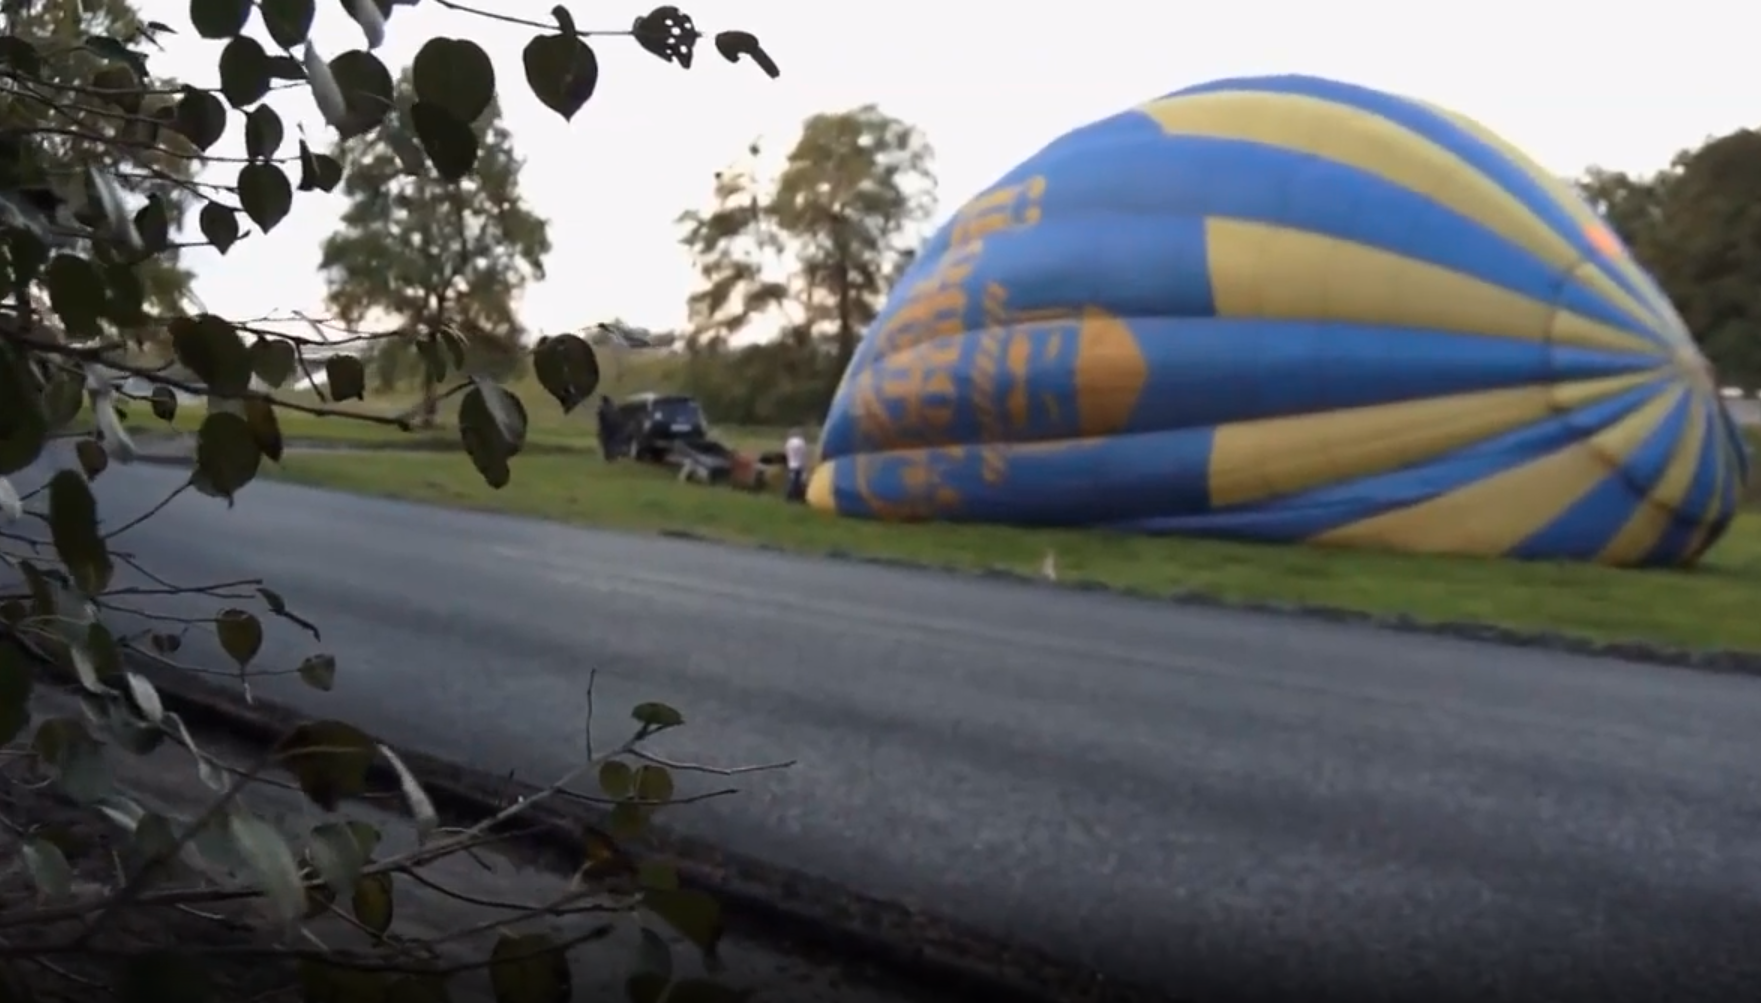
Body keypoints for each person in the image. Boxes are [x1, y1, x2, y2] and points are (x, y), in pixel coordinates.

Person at [783, 428, 809, 502]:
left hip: (791, 463)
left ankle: (791, 495)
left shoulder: (789, 442)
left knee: (792, 480)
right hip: (798, 464)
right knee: (796, 481)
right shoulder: (801, 442)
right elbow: (804, 453)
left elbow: (786, 451)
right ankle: (793, 496)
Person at [595, 394, 619, 461]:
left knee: (606, 443)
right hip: (614, 428)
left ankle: (608, 456)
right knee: (613, 442)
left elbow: (599, 417)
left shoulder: (602, 408)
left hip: (605, 428)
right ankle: (614, 456)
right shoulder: (614, 407)